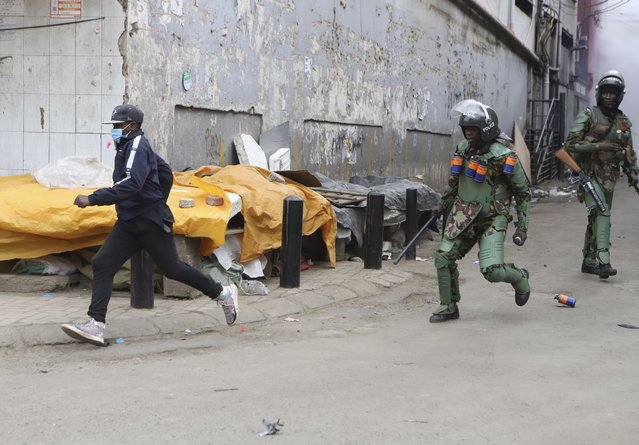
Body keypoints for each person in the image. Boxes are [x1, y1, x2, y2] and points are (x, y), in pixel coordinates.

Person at [61, 104, 238, 346]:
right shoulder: (126, 147)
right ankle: (96, 325)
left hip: (150, 221)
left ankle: (222, 293)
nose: (114, 130)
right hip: (130, 222)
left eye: (117, 126)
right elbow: (164, 172)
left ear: (131, 125)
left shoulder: (136, 145)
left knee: (173, 269)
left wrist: (93, 199)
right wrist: (154, 199)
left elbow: (132, 183)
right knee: (102, 264)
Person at [429, 100, 531, 322]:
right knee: (443, 258)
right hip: (463, 214)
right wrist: (442, 202)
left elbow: (523, 193)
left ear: (486, 130)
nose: (468, 134)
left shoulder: (504, 156)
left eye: (473, 129)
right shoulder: (462, 150)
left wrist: (522, 227)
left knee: (492, 271)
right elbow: (454, 182)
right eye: (466, 129)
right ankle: (448, 305)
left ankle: (519, 278)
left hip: (493, 217)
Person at [563, 70, 639, 279]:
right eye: (605, 92)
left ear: (619, 95)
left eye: (612, 93)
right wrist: (599, 146)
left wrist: (633, 171)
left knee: (595, 217)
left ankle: (589, 261)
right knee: (602, 211)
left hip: (610, 177)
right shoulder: (588, 114)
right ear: (599, 94)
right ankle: (604, 261)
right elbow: (569, 144)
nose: (608, 97)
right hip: (588, 174)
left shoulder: (623, 121)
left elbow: (629, 150)